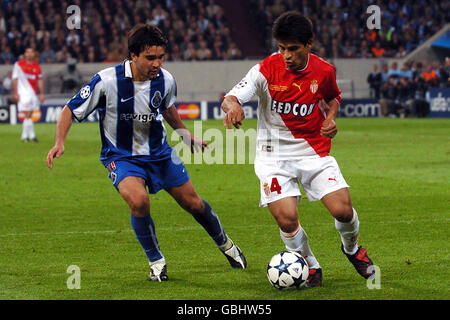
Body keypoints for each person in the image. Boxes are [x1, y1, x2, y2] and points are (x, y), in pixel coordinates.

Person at [46, 24, 246, 282]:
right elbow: (70, 109)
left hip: (160, 154)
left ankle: (227, 245)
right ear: (133, 55)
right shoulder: (107, 80)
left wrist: (185, 134)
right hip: (122, 157)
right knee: (139, 201)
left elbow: (167, 108)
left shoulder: (166, 79)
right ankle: (157, 262)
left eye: (161, 57)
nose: (157, 63)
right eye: (151, 58)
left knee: (194, 203)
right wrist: (59, 142)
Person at [221, 11, 374, 287]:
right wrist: (233, 105)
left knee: (343, 211)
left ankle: (351, 249)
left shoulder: (324, 70)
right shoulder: (265, 70)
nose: (286, 55)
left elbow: (332, 97)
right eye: (281, 49)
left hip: (313, 152)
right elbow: (233, 95)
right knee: (287, 219)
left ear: (308, 44)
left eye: (292, 49)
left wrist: (330, 118)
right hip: (273, 157)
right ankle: (310, 264)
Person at [12, 47, 44, 142]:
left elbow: (39, 80)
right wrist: (16, 93)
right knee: (27, 114)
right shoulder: (18, 65)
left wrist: (41, 93)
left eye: (31, 52)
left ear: (34, 54)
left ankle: (25, 136)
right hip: (23, 93)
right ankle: (31, 136)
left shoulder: (37, 66)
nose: (29, 54)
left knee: (29, 114)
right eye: (28, 52)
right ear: (25, 54)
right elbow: (15, 79)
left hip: (32, 94)